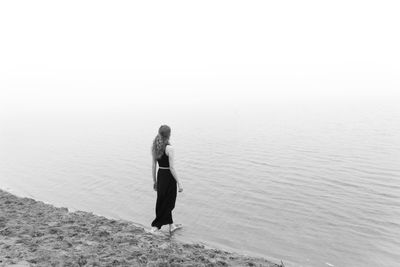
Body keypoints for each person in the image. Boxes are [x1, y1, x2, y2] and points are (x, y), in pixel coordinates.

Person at [150, 125, 183, 234]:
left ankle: (171, 226)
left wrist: (155, 181)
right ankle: (156, 226)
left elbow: (153, 166)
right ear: (169, 134)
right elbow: (172, 168)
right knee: (169, 202)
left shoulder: (155, 146)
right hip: (168, 177)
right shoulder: (169, 148)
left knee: (162, 200)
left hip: (160, 175)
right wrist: (179, 183)